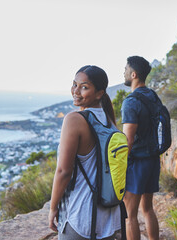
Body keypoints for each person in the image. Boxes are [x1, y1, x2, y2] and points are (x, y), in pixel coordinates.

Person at [48, 65, 121, 240]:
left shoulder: (74, 120)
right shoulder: (109, 120)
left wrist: (52, 208)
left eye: (84, 87)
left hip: (80, 215)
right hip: (109, 216)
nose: (76, 91)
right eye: (74, 84)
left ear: (99, 93)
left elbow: (63, 172)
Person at [121, 56, 160, 240]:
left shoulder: (131, 101)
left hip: (137, 162)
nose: (124, 72)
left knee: (130, 215)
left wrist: (119, 166)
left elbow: (128, 140)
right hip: (153, 158)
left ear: (134, 74)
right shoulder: (152, 96)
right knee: (148, 209)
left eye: (126, 69)